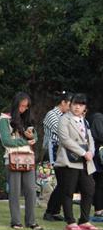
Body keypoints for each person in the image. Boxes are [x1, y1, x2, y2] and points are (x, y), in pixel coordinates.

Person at [0, 92, 42, 230]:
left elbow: (35, 136)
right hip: (12, 157)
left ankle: (31, 221)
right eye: (21, 106)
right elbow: (6, 141)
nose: (23, 109)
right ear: (15, 104)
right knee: (15, 191)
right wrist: (26, 141)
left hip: (28, 157)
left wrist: (31, 137)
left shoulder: (27, 119)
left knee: (31, 190)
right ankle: (16, 221)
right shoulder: (4, 119)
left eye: (26, 106)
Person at [55, 94, 98, 230]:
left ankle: (84, 220)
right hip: (69, 160)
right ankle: (70, 221)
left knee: (89, 189)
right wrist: (84, 153)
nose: (77, 107)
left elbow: (90, 139)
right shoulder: (64, 119)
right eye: (75, 104)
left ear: (85, 107)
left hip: (85, 162)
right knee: (68, 191)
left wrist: (91, 152)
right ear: (70, 105)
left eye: (81, 105)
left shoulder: (84, 121)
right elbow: (65, 139)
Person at [42, 91, 72, 221]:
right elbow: (62, 132)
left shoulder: (65, 116)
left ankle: (54, 211)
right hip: (52, 152)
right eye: (70, 104)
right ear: (63, 102)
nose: (71, 108)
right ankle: (50, 211)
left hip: (62, 152)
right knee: (58, 183)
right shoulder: (52, 114)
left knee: (63, 183)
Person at [89, 109, 103, 217]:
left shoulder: (95, 118)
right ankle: (99, 209)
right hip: (98, 158)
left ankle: (99, 208)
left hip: (96, 156)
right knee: (99, 183)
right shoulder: (98, 118)